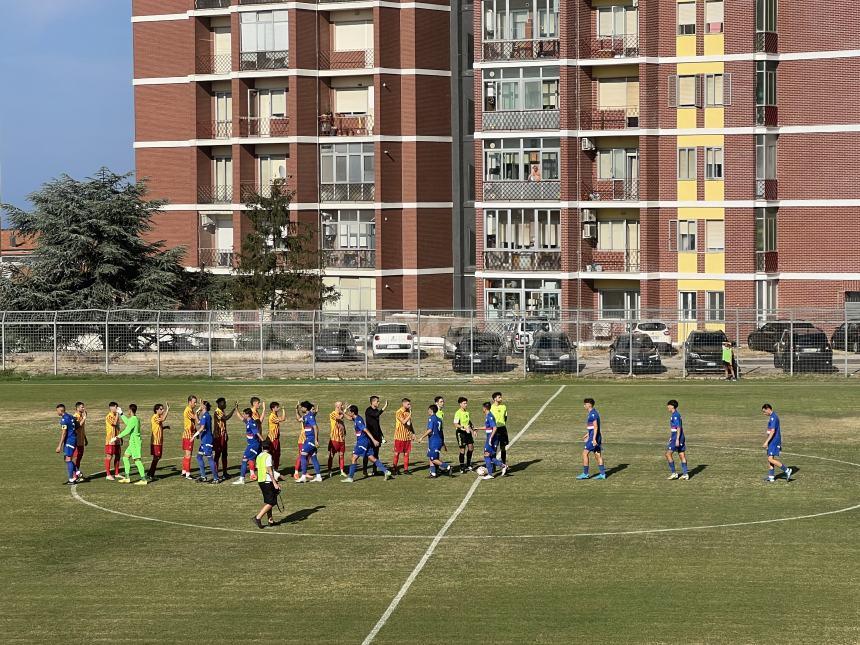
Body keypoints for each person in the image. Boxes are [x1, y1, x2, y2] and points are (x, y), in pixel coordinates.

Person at [342, 405, 392, 483]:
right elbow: (349, 418)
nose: (348, 413)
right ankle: (386, 471)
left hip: (362, 442)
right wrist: (342, 412)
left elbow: (366, 430)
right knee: (372, 458)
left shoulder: (358, 421)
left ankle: (350, 477)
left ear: (352, 412)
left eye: (349, 411)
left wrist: (374, 440)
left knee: (354, 458)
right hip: (365, 442)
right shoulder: (356, 417)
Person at [111, 404, 148, 485]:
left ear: (130, 410)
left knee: (137, 460)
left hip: (135, 443)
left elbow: (127, 430)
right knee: (125, 458)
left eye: (128, 410)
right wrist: (121, 414)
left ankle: (143, 479)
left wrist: (117, 437)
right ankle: (127, 478)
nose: (128, 411)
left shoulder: (134, 419)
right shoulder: (134, 419)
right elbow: (128, 423)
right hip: (133, 443)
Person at [417, 404, 452, 478]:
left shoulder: (431, 418)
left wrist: (421, 437)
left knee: (433, 459)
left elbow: (430, 430)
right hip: (438, 441)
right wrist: (443, 443)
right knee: (430, 456)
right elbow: (441, 432)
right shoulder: (439, 419)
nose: (428, 411)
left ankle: (448, 467)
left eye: (428, 409)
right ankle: (433, 473)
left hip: (434, 441)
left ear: (431, 410)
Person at [253, 439, 281, 529]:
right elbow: (269, 470)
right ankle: (258, 517)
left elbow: (257, 467)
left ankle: (270, 520)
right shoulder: (268, 456)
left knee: (268, 500)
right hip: (267, 480)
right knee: (272, 502)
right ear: (269, 447)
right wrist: (275, 483)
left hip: (261, 480)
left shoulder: (259, 456)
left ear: (262, 447)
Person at [762, 404, 792, 483]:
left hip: (774, 441)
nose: (764, 413)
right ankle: (771, 477)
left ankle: (787, 470)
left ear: (768, 409)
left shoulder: (773, 417)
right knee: (770, 458)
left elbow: (773, 431)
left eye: (764, 412)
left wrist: (766, 442)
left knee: (770, 459)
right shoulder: (772, 417)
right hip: (772, 441)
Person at [577, 398, 606, 480]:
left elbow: (596, 427)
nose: (584, 405)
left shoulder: (593, 414)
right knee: (597, 455)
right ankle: (602, 474)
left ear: (589, 405)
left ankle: (585, 474)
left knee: (584, 453)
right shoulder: (593, 413)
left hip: (594, 438)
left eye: (585, 404)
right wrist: (587, 434)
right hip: (595, 436)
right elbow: (593, 427)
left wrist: (593, 439)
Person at [232, 408, 262, 485]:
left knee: (244, 460)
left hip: (253, 445)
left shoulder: (251, 423)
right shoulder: (248, 421)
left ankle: (242, 479)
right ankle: (273, 474)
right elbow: (241, 417)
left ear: (247, 414)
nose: (243, 415)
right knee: (260, 460)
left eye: (244, 414)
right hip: (254, 444)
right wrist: (237, 409)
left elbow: (257, 433)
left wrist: (263, 441)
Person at [296, 401, 322, 483]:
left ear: (305, 408)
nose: (301, 408)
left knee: (303, 455)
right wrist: (296, 410)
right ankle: (318, 476)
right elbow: (298, 419)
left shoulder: (310, 416)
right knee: (313, 457)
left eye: (302, 407)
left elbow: (315, 427)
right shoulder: (306, 416)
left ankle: (303, 476)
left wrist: (315, 440)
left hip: (311, 439)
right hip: (308, 439)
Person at [193, 401, 220, 484]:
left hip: (207, 440)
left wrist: (194, 436)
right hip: (204, 440)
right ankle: (203, 476)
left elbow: (202, 427)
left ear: (204, 406)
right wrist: (197, 413)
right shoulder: (205, 415)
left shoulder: (206, 416)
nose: (199, 406)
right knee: (199, 457)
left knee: (210, 458)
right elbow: (198, 422)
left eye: (201, 405)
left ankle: (216, 478)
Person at [480, 401, 507, 480]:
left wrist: (491, 438)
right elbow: (488, 427)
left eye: (483, 408)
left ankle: (490, 474)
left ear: (485, 408)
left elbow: (494, 428)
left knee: (486, 455)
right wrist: (477, 428)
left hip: (491, 439)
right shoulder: (488, 415)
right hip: (491, 438)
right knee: (490, 456)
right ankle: (503, 466)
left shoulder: (490, 416)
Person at [55, 404, 81, 485]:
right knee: (66, 458)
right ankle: (77, 472)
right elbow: (77, 425)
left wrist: (59, 445)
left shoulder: (64, 420)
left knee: (68, 459)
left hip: (69, 441)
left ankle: (71, 479)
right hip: (73, 439)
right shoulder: (70, 416)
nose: (57, 412)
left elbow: (64, 433)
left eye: (57, 410)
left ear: (60, 410)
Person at [363, 396, 388, 476]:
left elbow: (377, 424)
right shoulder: (368, 410)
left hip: (377, 435)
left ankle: (375, 471)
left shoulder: (376, 410)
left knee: (376, 454)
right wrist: (384, 407)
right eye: (377, 401)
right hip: (370, 436)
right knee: (367, 454)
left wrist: (381, 434)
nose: (378, 402)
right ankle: (364, 471)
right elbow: (376, 414)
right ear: (372, 402)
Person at [665, 400, 689, 480]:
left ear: (672, 406)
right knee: (681, 454)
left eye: (668, 405)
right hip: (679, 436)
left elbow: (678, 427)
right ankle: (685, 474)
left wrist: (677, 439)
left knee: (668, 454)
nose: (667, 407)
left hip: (677, 437)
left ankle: (674, 473)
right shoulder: (677, 414)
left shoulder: (675, 415)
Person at [213, 398, 237, 479]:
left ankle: (225, 472)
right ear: (219, 404)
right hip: (218, 437)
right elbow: (225, 418)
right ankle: (215, 473)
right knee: (217, 454)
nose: (225, 404)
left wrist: (226, 434)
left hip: (223, 435)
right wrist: (234, 410)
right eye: (224, 403)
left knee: (224, 454)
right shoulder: (217, 412)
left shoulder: (222, 411)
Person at [392, 398, 414, 475]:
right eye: (408, 404)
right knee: (397, 453)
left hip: (407, 437)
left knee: (406, 453)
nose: (409, 405)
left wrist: (413, 433)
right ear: (403, 404)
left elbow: (410, 424)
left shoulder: (408, 412)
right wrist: (410, 414)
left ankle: (406, 469)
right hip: (399, 437)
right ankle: (394, 469)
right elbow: (404, 422)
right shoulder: (399, 412)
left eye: (409, 404)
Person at [148, 403, 169, 481]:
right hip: (156, 441)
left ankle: (150, 473)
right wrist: (167, 409)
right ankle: (151, 474)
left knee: (157, 457)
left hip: (159, 441)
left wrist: (164, 427)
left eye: (163, 409)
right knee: (156, 457)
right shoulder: (155, 417)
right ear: (156, 410)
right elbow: (163, 419)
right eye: (161, 409)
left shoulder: (158, 417)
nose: (162, 410)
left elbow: (158, 427)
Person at [453, 396, 475, 473]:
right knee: (462, 449)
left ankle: (468, 463)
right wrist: (462, 427)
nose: (466, 404)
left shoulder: (467, 412)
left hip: (468, 432)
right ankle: (462, 466)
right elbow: (455, 424)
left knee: (471, 448)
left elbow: (469, 422)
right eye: (464, 403)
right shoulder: (458, 413)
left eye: (466, 403)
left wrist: (473, 430)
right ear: (460, 404)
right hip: (461, 433)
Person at [181, 395, 199, 480]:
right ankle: (188, 474)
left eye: (196, 402)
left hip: (189, 435)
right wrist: (199, 410)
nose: (195, 404)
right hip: (188, 436)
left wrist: (196, 431)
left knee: (187, 454)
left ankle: (184, 471)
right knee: (189, 455)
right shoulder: (188, 410)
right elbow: (195, 418)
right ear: (189, 402)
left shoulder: (190, 410)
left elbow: (192, 423)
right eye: (194, 402)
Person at [327, 401, 347, 478]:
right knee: (331, 455)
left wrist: (344, 431)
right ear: (337, 406)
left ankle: (341, 471)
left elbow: (342, 423)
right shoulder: (332, 414)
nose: (342, 407)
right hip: (334, 439)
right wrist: (344, 411)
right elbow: (339, 418)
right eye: (341, 406)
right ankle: (329, 470)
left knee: (341, 455)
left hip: (341, 439)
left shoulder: (341, 414)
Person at [104, 402, 122, 481]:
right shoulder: (109, 416)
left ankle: (117, 473)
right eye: (116, 407)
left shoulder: (115, 415)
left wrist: (120, 437)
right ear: (112, 407)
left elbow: (117, 427)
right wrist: (118, 414)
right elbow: (114, 423)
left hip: (117, 439)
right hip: (110, 440)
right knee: (109, 456)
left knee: (118, 456)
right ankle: (108, 474)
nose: (117, 409)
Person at [490, 391, 509, 464]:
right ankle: (493, 465)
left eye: (501, 397)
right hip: (495, 429)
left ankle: (504, 464)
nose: (501, 399)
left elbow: (505, 417)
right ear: (495, 399)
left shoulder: (503, 407)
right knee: (494, 447)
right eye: (499, 397)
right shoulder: (491, 408)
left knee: (503, 447)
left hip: (503, 429)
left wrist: (502, 424)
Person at [267, 401, 286, 475]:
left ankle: (275, 469)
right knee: (274, 454)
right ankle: (272, 470)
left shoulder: (275, 414)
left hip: (276, 438)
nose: (278, 408)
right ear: (273, 408)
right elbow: (283, 419)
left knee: (277, 454)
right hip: (273, 438)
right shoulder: (272, 416)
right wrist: (284, 410)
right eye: (277, 407)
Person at [72, 401, 87, 480]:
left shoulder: (81, 416)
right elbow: (77, 427)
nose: (83, 408)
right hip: (76, 441)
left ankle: (76, 475)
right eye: (82, 407)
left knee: (79, 458)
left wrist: (85, 438)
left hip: (81, 441)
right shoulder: (75, 417)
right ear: (77, 408)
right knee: (75, 458)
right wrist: (84, 418)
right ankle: (74, 475)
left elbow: (82, 429)